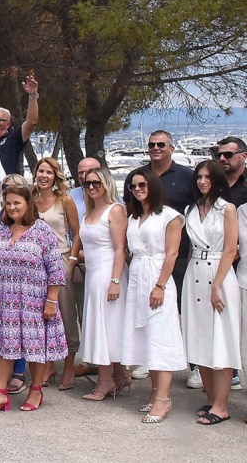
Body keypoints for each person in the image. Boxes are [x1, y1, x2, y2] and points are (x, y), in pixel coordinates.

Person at [0, 183, 67, 416]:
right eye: (8, 203)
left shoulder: (42, 231)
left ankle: (36, 390)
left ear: (28, 204)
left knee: (35, 346)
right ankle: (0, 393)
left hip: (34, 300)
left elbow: (56, 269)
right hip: (6, 300)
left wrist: (51, 300)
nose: (12, 207)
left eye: (17, 203)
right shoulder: (3, 231)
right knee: (4, 347)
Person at [121, 167, 186, 424]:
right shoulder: (134, 217)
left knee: (161, 335)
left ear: (153, 186)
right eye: (133, 186)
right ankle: (154, 392)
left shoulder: (169, 216)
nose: (137, 189)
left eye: (142, 185)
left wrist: (160, 286)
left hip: (158, 275)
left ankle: (163, 398)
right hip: (138, 276)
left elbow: (172, 253)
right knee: (146, 336)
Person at [182, 160, 240, 425]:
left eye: (208, 177)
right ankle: (210, 397)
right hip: (194, 272)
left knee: (221, 338)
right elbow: (191, 249)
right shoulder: (191, 209)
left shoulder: (226, 209)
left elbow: (230, 249)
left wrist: (216, 285)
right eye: (199, 177)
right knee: (199, 337)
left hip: (219, 272)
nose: (203, 181)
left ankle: (222, 405)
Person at [76, 166, 130, 400]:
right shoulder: (89, 211)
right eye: (87, 183)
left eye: (96, 182)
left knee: (107, 328)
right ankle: (120, 375)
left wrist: (115, 281)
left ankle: (105, 381)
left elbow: (120, 249)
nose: (91, 187)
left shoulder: (115, 210)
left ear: (106, 183)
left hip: (109, 273)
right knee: (103, 325)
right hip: (93, 274)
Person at [32, 157, 83, 390]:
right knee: (41, 315)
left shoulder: (65, 200)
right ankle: (48, 364)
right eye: (41, 171)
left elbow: (77, 233)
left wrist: (72, 260)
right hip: (34, 263)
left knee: (65, 313)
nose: (44, 175)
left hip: (60, 260)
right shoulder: (30, 199)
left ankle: (70, 364)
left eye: (49, 172)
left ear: (55, 176)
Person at [216, 136, 247, 206]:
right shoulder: (212, 181)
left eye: (228, 155)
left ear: (244, 156)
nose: (222, 158)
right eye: (219, 155)